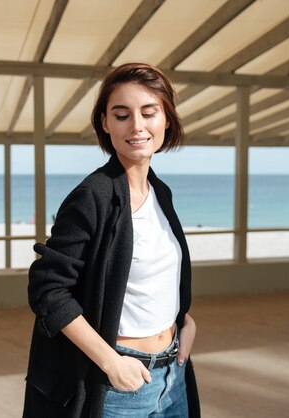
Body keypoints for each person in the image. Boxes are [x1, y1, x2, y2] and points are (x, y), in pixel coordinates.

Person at [23, 62, 200, 417]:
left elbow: (155, 278)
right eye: (122, 115)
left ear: (166, 119)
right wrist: (110, 362)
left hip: (173, 373)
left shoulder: (161, 193)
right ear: (105, 123)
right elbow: (47, 288)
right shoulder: (93, 196)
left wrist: (184, 321)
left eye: (149, 113)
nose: (137, 126)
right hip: (119, 382)